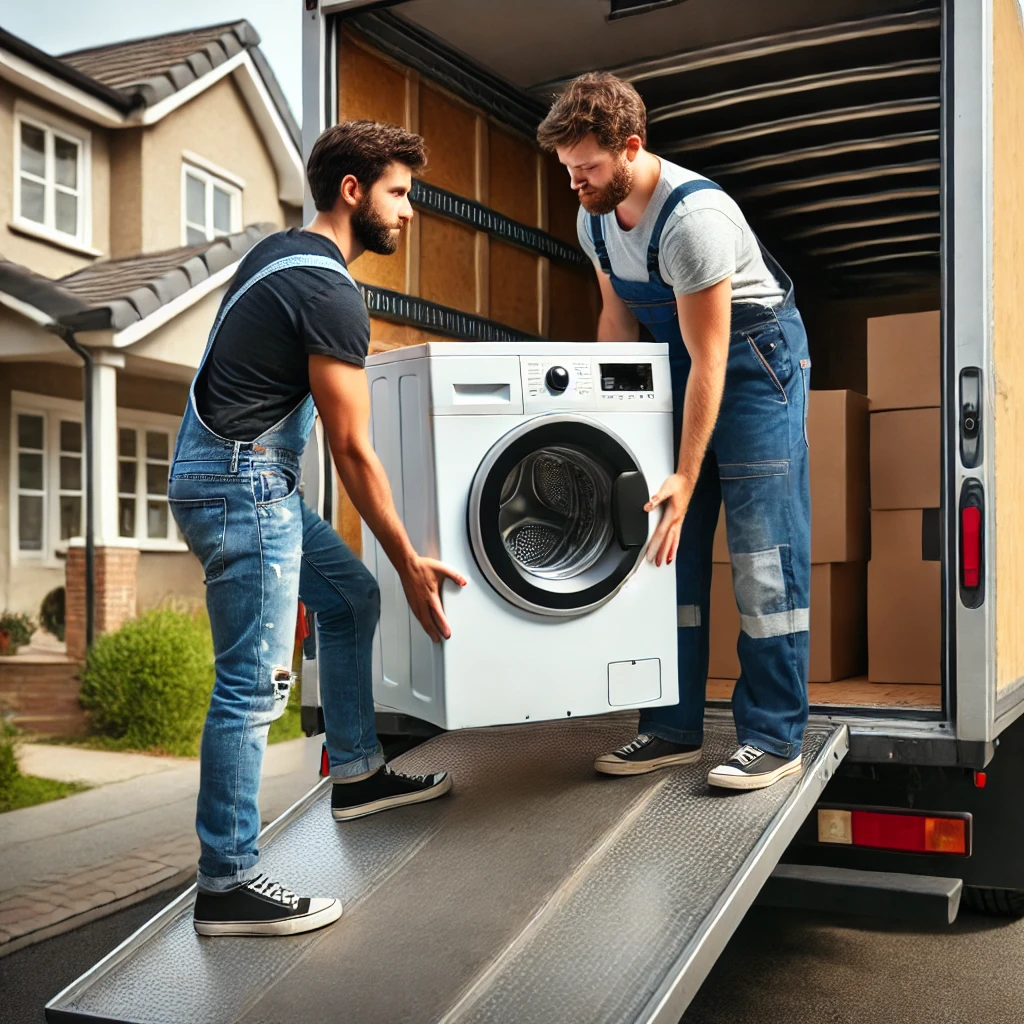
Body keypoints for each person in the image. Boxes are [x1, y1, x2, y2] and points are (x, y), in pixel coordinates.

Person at [169, 120, 466, 938]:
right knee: (252, 687)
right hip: (244, 486)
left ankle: (360, 773)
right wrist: (411, 558)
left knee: (349, 599)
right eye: (400, 194)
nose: (408, 213)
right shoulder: (328, 290)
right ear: (353, 190)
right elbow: (352, 449)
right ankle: (225, 883)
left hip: (230, 474)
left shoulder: (276, 253)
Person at [537, 73, 811, 791]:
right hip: (679, 365)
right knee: (664, 554)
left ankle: (775, 737)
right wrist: (603, 436)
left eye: (589, 168)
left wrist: (688, 475)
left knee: (760, 554)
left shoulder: (693, 220)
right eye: (568, 170)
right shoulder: (593, 216)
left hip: (752, 364)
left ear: (631, 147)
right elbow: (618, 325)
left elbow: (710, 358)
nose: (577, 183)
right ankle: (668, 727)